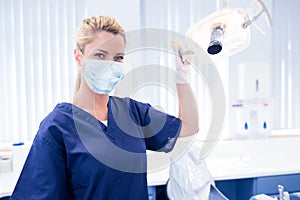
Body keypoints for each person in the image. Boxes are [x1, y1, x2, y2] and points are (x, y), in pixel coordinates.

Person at [10, 15, 199, 200]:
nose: (109, 64)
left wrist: (181, 75)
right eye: (100, 55)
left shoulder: (132, 112)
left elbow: (189, 126)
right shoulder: (56, 127)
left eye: (118, 58)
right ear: (79, 56)